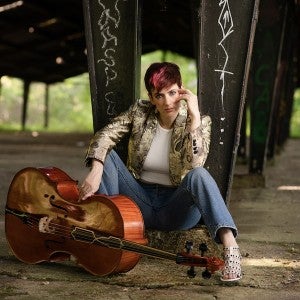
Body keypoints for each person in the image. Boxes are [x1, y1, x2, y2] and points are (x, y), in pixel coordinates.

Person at [79, 62, 242, 282]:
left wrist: (193, 121)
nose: (168, 102)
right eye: (160, 95)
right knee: (107, 156)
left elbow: (196, 163)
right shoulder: (140, 112)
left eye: (173, 93)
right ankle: (100, 235)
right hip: (138, 202)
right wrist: (96, 168)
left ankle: (231, 248)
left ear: (182, 90)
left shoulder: (200, 121)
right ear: (151, 97)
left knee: (199, 175)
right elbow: (105, 135)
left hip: (176, 207)